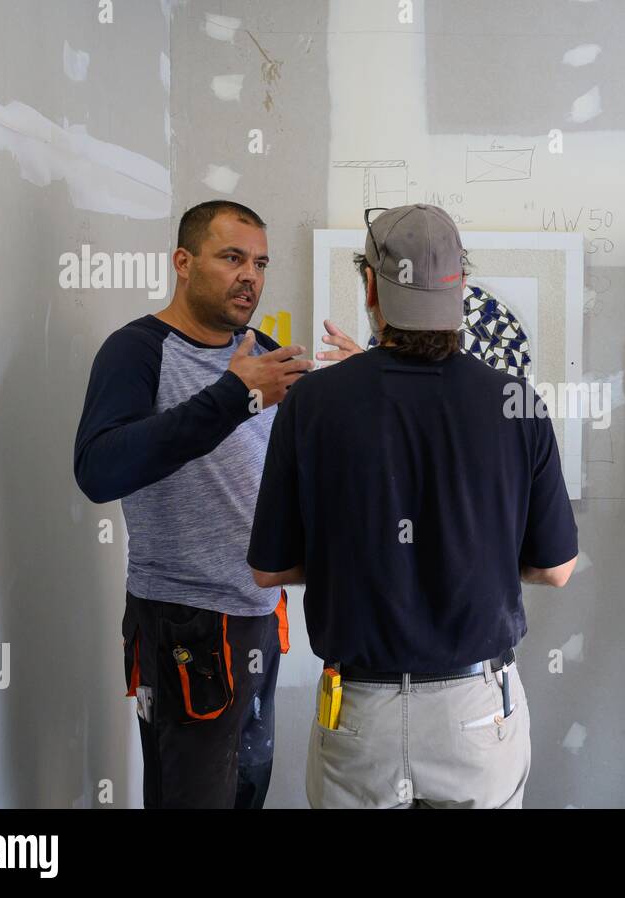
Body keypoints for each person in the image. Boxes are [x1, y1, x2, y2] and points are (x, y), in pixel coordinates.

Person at [247, 203, 578, 808]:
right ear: (461, 288)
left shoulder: (312, 404)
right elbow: (555, 568)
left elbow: (269, 569)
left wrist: (359, 557)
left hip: (357, 716)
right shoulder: (516, 403)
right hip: (477, 711)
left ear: (370, 286)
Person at [73, 200, 359, 808]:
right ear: (183, 261)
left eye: (259, 262)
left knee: (247, 792)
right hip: (184, 621)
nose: (249, 276)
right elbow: (99, 471)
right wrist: (234, 394)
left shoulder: (265, 352)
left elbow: (323, 469)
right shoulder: (137, 351)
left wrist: (369, 394)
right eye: (231, 257)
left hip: (259, 614)